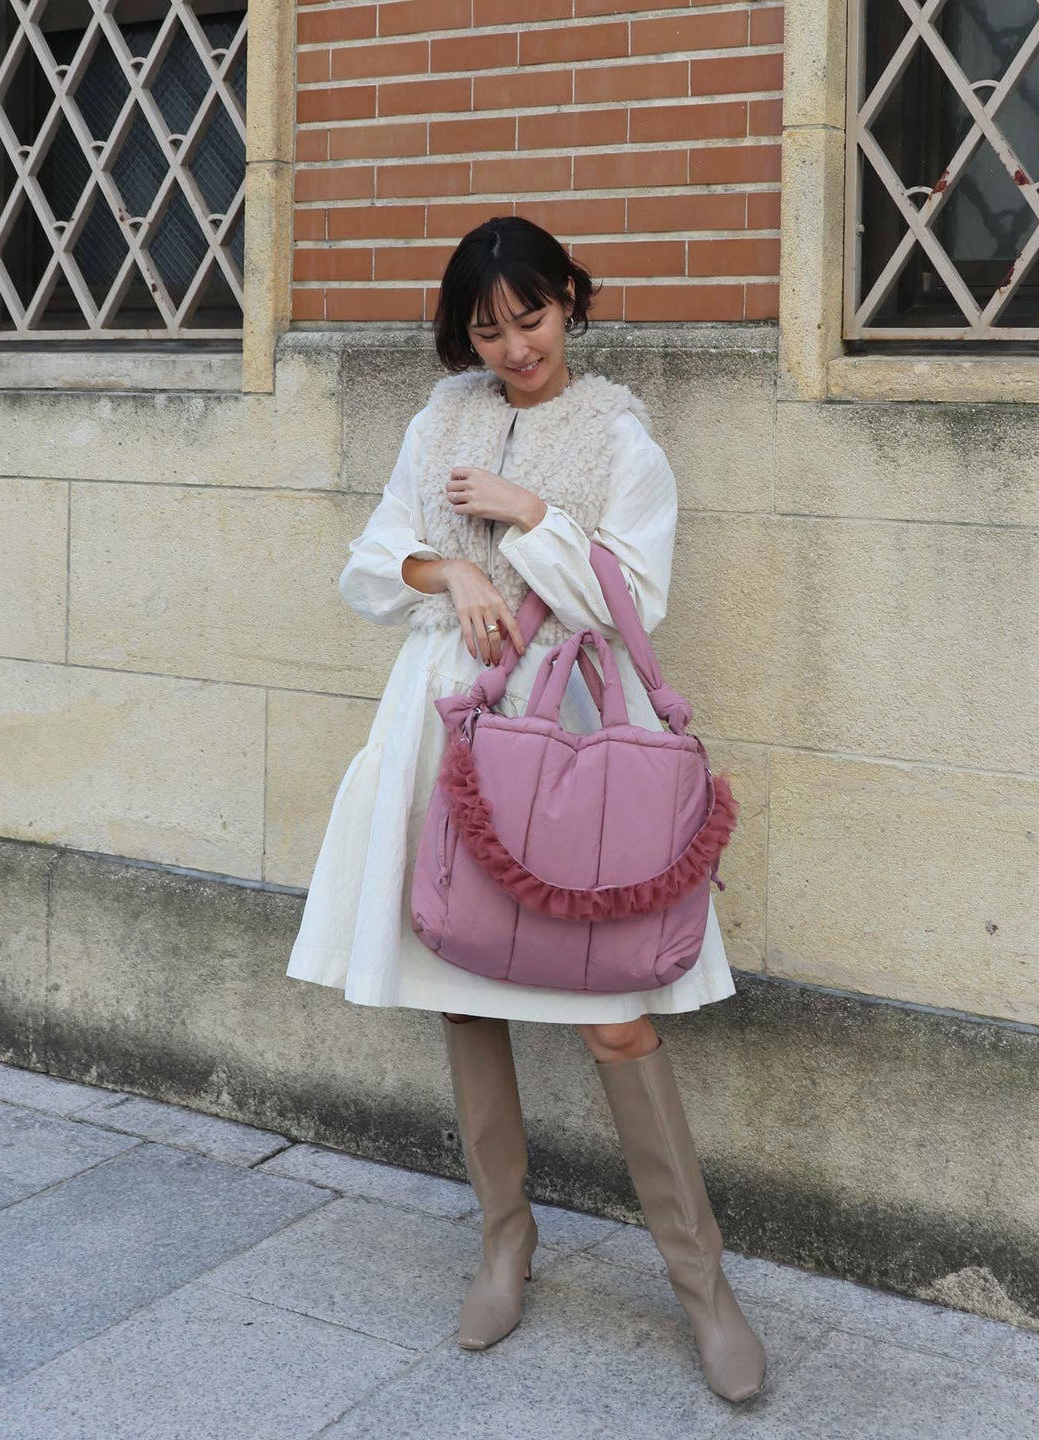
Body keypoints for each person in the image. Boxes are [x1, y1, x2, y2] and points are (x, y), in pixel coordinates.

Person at [285, 216, 766, 1404]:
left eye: (533, 316)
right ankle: (506, 1244)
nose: (515, 347)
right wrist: (447, 568)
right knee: (460, 985)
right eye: (489, 329)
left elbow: (632, 599)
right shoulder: (437, 421)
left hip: (578, 736)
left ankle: (702, 1286)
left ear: (570, 304)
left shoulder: (620, 440)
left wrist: (529, 515)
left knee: (616, 1013)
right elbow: (369, 565)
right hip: (445, 723)